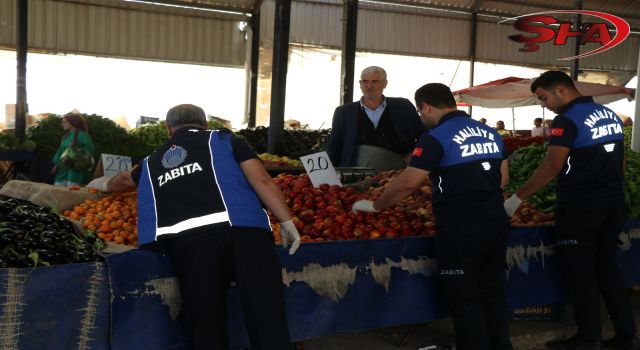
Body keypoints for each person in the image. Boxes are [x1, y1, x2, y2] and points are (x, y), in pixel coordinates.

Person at [88, 104, 300, 350]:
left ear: (169, 130)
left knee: (205, 323)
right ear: (205, 125)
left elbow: (124, 180)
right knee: (266, 315)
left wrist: (100, 183)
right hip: (246, 236)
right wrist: (286, 221)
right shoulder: (224, 140)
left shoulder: (152, 160)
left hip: (191, 245)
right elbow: (261, 179)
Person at [352, 83, 512, 350]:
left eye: (420, 112)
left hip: (461, 226)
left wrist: (376, 205)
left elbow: (407, 183)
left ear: (425, 106)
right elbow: (503, 179)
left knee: (464, 296)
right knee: (493, 290)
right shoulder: (490, 133)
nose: (421, 118)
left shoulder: (436, 137)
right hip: (496, 221)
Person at [504, 71, 639, 350]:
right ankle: (627, 336)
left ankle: (589, 338)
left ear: (561, 90)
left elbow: (552, 166)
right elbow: (622, 161)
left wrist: (515, 199)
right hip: (612, 202)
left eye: (544, 98)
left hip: (581, 206)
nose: (544, 105)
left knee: (581, 272)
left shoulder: (566, 121)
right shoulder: (608, 114)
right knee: (607, 268)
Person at [327, 66, 426, 170]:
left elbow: (424, 134)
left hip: (397, 172)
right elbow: (335, 147)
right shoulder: (343, 112)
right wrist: (328, 177)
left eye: (375, 81)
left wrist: (415, 154)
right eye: (365, 81)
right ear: (360, 84)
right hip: (355, 174)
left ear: (385, 84)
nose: (369, 86)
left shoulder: (403, 106)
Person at [51, 113, 95, 186]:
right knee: (58, 190)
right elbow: (61, 151)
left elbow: (90, 152)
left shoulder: (82, 135)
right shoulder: (66, 136)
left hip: (76, 172)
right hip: (62, 170)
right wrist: (56, 165)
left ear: (72, 123)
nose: (62, 124)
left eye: (65, 122)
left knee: (72, 192)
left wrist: (76, 149)